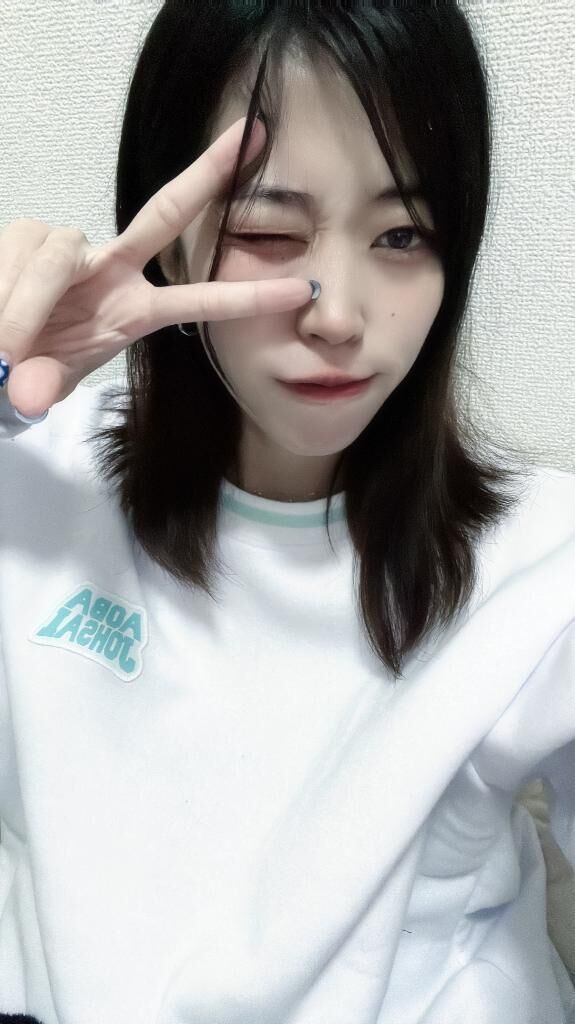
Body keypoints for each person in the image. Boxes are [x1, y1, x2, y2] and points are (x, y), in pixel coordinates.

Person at [0, 2, 574, 1022]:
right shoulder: (35, 471)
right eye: (268, 231)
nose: (339, 315)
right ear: (173, 243)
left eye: (402, 234)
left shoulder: (540, 565)